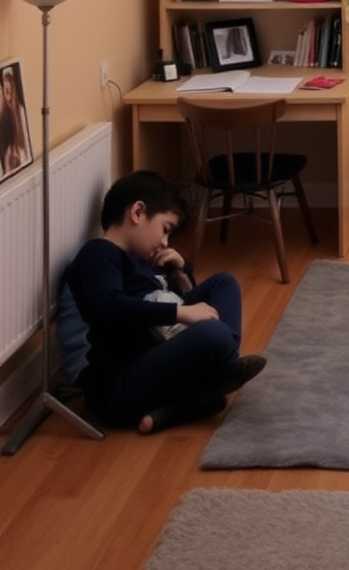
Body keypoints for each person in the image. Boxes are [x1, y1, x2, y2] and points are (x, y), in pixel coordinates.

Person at [66, 170, 266, 434]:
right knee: (215, 333)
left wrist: (180, 269)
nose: (164, 242)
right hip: (118, 386)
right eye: (165, 230)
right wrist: (180, 313)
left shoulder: (143, 260)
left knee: (224, 282)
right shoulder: (99, 253)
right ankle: (208, 383)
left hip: (156, 354)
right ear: (137, 212)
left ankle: (193, 394)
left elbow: (173, 299)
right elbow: (109, 306)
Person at [0, 64, 32, 176]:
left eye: (8, 92)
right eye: (5, 93)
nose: (8, 98)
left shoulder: (21, 112)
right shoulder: (6, 118)